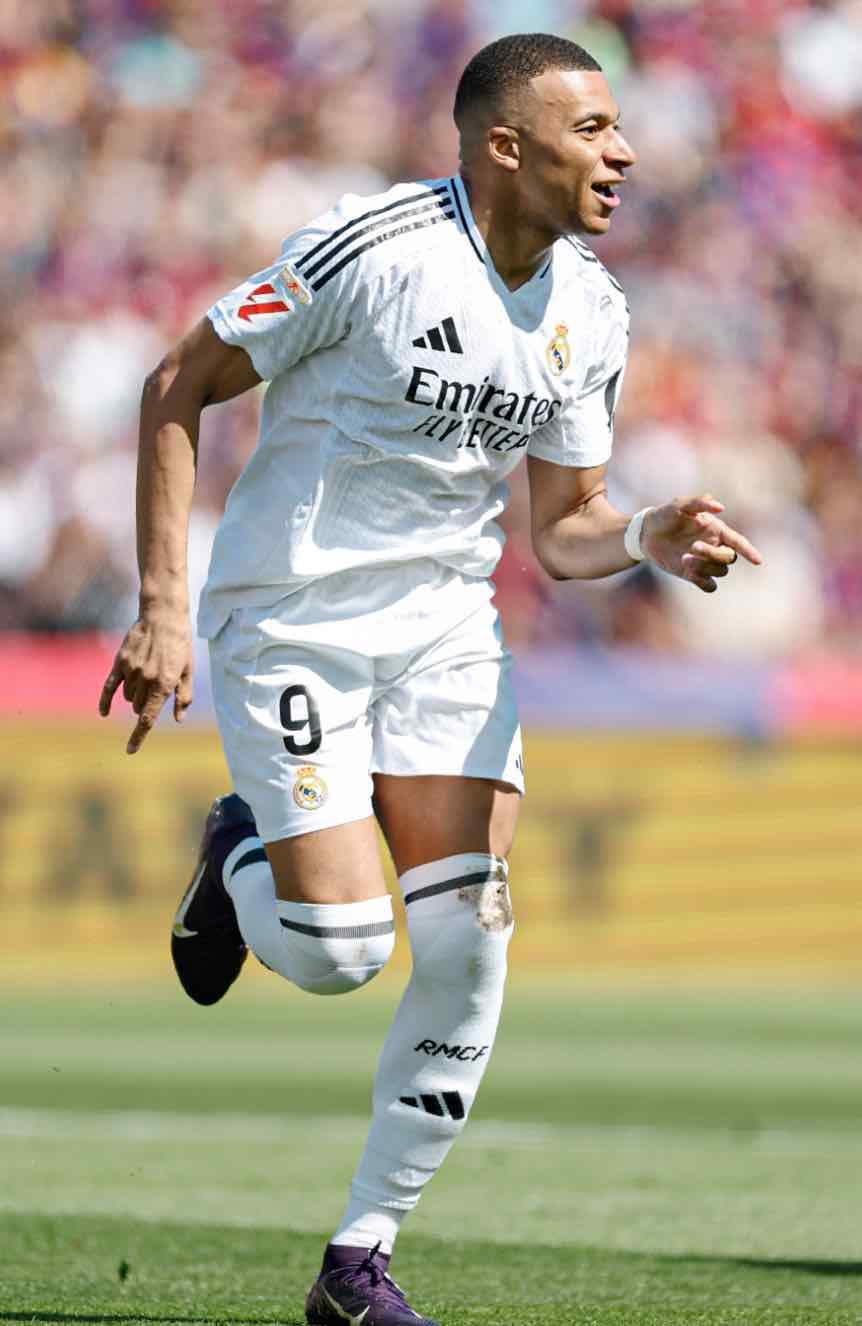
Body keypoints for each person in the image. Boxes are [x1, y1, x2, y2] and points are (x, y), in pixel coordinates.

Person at [99, 32, 762, 1326]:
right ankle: (239, 856)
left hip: (447, 631)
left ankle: (359, 1257)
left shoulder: (592, 310)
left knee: (470, 937)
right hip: (293, 617)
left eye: (620, 127)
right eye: (591, 129)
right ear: (505, 146)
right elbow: (177, 382)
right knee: (341, 951)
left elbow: (563, 528)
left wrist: (643, 535)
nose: (624, 153)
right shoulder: (374, 249)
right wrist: (164, 605)